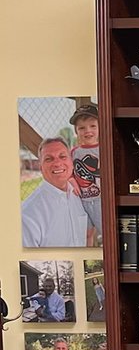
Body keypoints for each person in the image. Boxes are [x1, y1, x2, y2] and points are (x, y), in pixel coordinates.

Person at [21, 137, 90, 247]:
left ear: (71, 162)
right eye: (49, 159)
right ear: (41, 167)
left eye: (62, 156)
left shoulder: (79, 194)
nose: (57, 163)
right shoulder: (28, 214)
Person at [69, 103, 102, 243]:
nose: (87, 131)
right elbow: (69, 173)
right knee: (86, 233)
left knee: (106, 232)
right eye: (82, 128)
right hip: (81, 201)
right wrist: (71, 180)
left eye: (93, 126)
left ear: (100, 126)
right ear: (76, 131)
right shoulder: (74, 152)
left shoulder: (104, 149)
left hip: (101, 200)